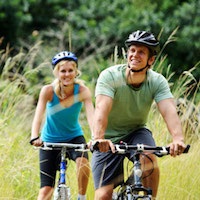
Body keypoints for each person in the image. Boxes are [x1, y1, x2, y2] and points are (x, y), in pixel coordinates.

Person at [91, 30, 186, 200]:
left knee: (149, 158)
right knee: (103, 196)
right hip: (107, 138)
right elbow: (101, 109)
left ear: (151, 60)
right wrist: (99, 138)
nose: (135, 55)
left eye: (141, 52)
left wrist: (178, 139)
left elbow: (169, 111)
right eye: (132, 50)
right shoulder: (110, 76)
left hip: (136, 132)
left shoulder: (157, 81)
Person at [30, 51, 94, 200]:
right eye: (62, 71)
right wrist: (35, 136)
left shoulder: (83, 91)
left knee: (83, 162)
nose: (67, 74)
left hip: (74, 137)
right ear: (56, 73)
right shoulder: (48, 91)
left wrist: (95, 138)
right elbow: (38, 116)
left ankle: (82, 197)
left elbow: (92, 116)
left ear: (76, 71)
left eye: (70, 70)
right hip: (49, 139)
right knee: (45, 191)